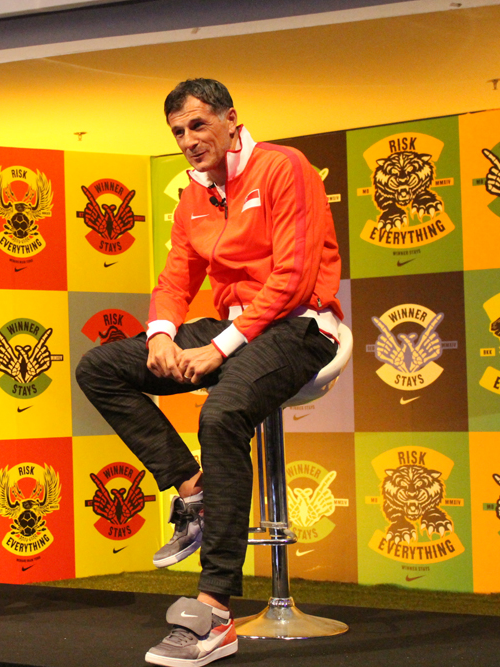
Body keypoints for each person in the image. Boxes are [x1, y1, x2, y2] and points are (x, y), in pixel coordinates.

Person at [76, 79, 342, 666]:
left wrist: (218, 348)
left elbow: (293, 279)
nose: (188, 140)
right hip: (233, 329)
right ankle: (194, 491)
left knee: (220, 416)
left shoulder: (284, 167)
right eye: (178, 132)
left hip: (299, 327)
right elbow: (176, 277)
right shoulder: (194, 194)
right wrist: (161, 334)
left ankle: (216, 611)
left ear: (230, 120)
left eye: (197, 125)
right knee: (101, 366)